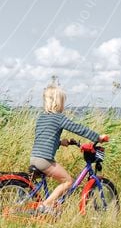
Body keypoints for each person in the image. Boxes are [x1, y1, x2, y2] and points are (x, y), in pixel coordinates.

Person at [30, 80, 108, 213]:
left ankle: (48, 207)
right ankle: (47, 205)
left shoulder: (42, 118)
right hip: (44, 160)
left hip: (34, 158)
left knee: (59, 181)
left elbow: (43, 137)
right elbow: (78, 128)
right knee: (68, 181)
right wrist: (97, 138)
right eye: (63, 101)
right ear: (58, 102)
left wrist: (60, 142)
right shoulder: (59, 117)